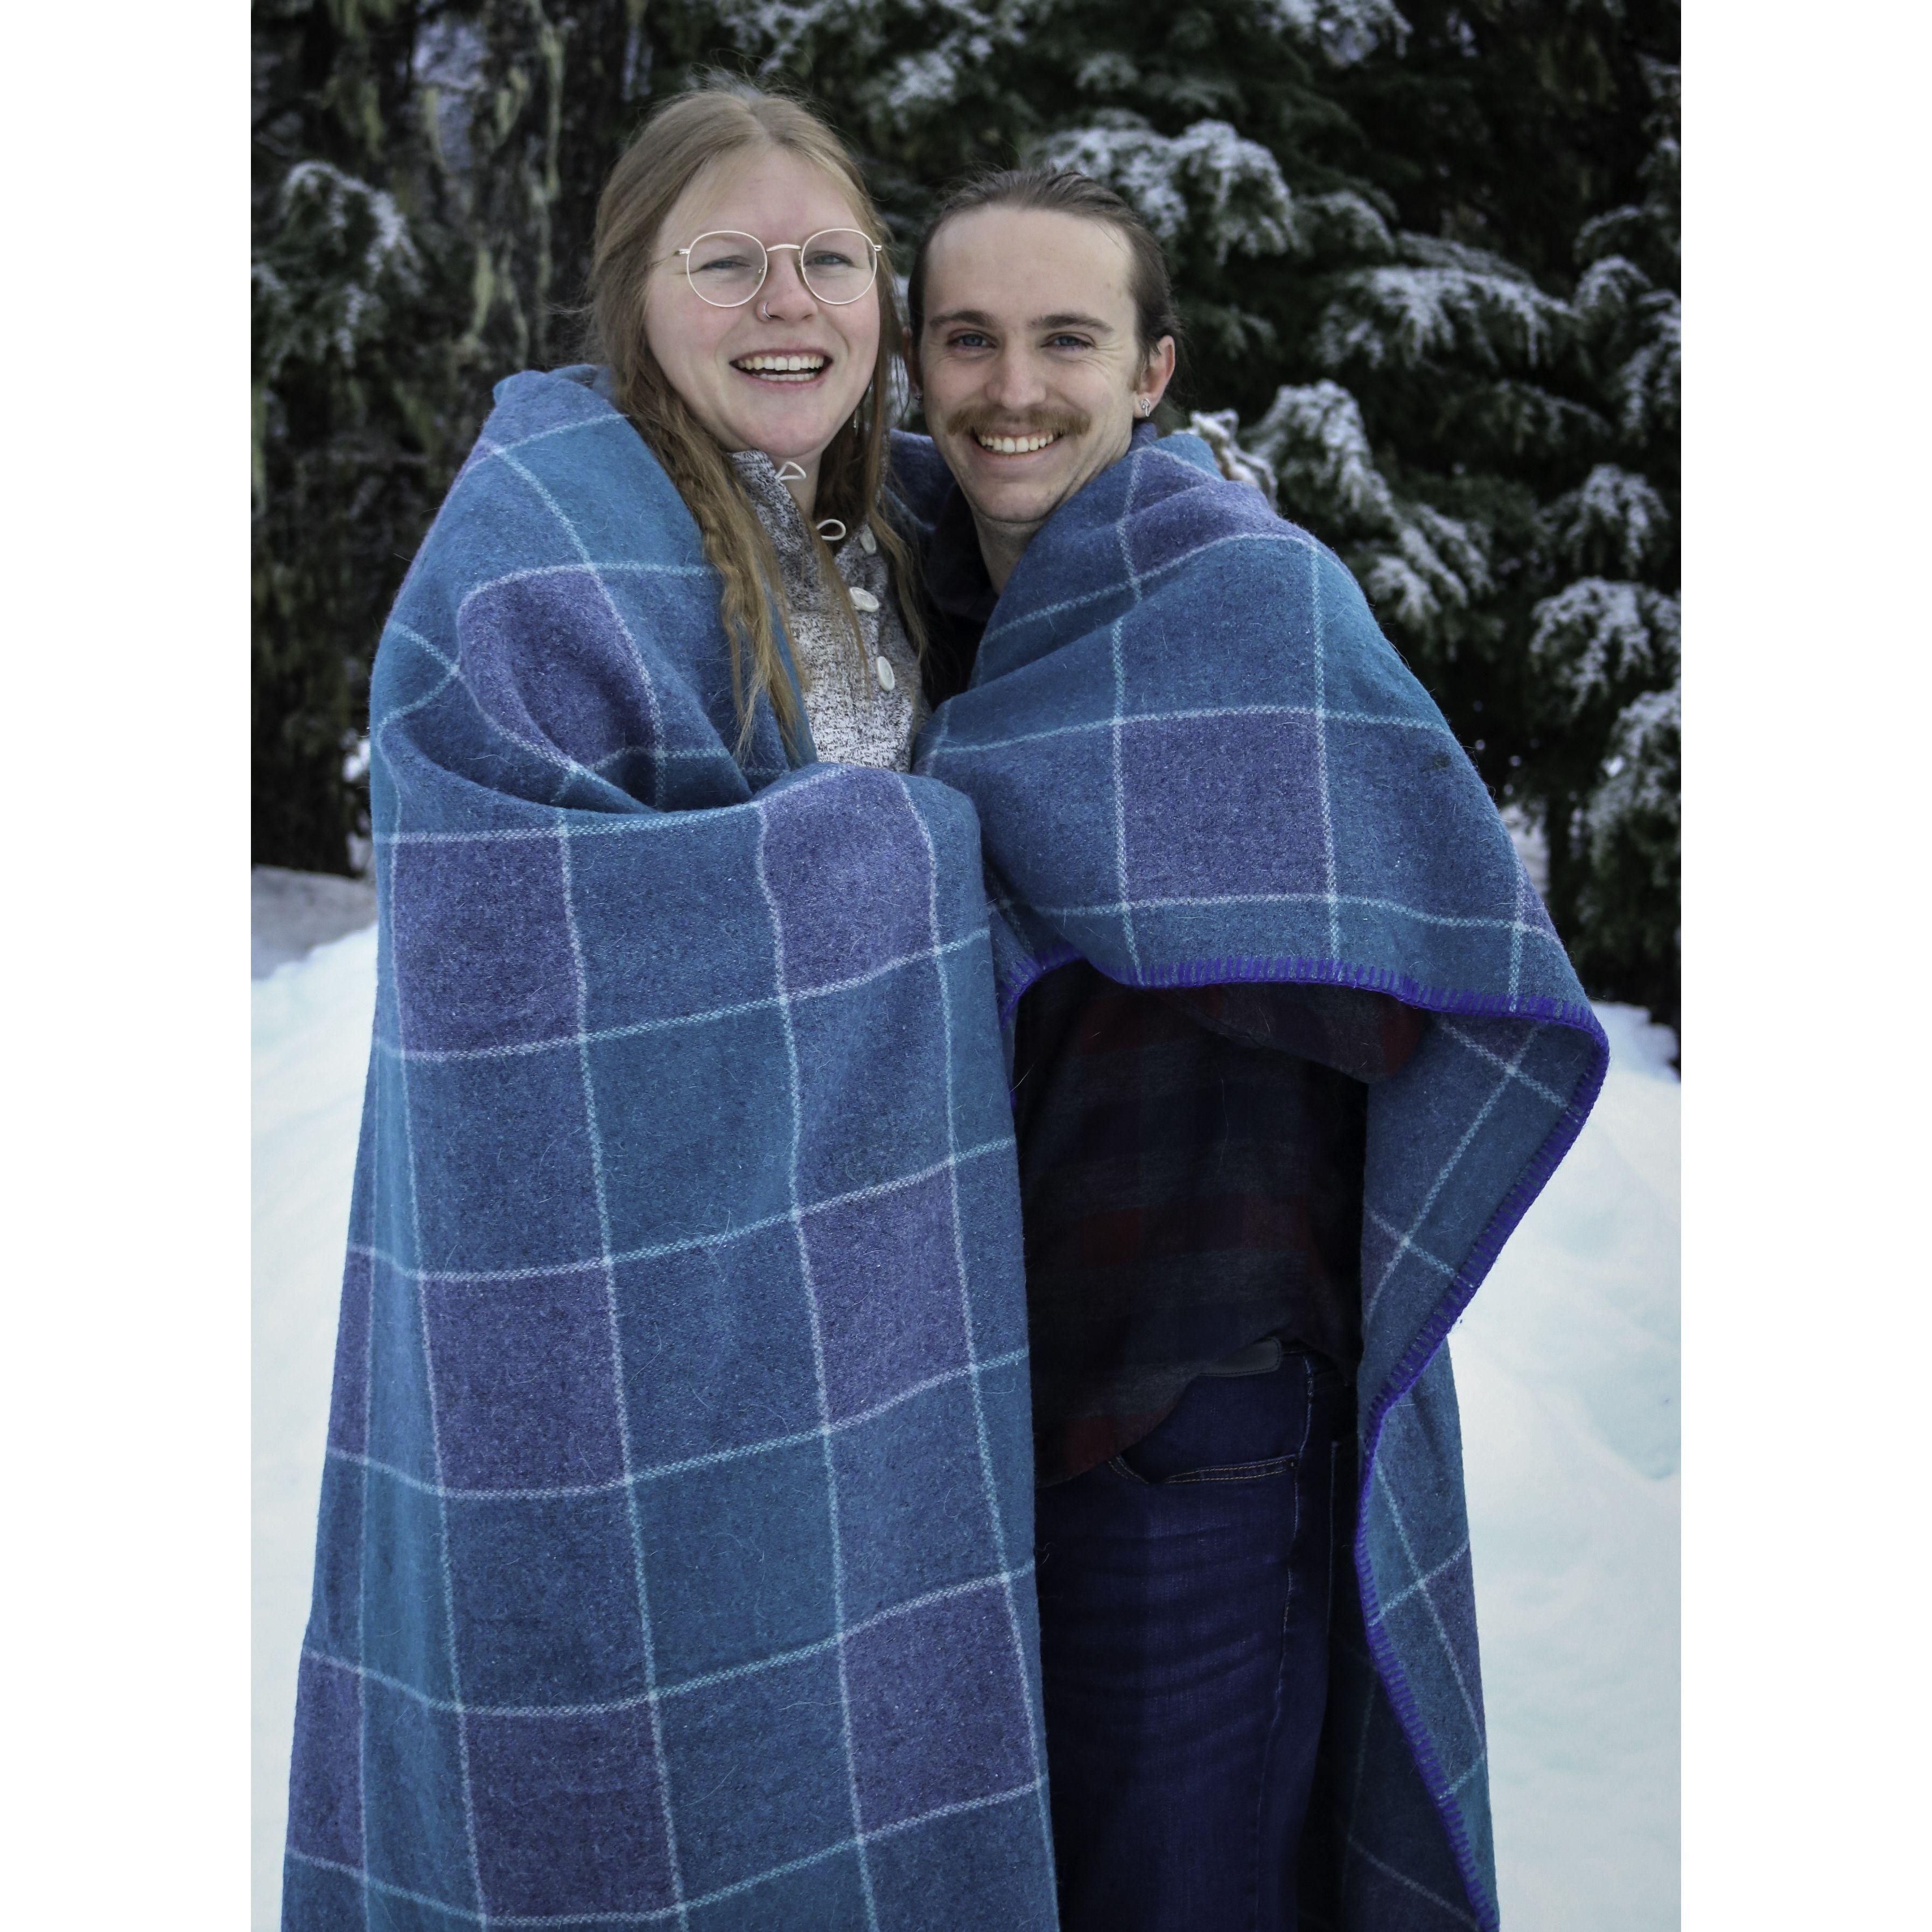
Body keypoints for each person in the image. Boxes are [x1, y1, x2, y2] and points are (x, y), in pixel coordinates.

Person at [280, 85, 1059, 1931]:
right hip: (606, 1326)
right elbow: (517, 923)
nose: (786, 301)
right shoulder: (545, 531)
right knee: (629, 1765)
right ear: (635, 293)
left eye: (829, 259)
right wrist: (922, 853)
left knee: (868, 1725)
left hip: (872, 1307)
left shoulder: (894, 535)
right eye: (726, 262)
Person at [895, 169, 1609, 1931]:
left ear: (1152, 370)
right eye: (967, 339)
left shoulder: (1253, 601)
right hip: (950, 1399)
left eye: (1066, 339)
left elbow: (1403, 976)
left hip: (1187, 1397)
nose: (1011, 387)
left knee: (1175, 1889)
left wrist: (1112, 870)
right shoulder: (905, 624)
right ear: (911, 365)